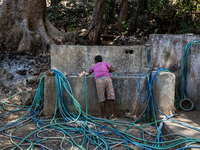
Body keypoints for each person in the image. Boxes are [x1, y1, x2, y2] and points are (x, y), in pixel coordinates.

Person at [89, 55, 116, 119]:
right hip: (107, 79)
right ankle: (113, 115)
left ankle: (104, 116)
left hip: (99, 80)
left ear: (95, 61)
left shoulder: (94, 66)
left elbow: (90, 72)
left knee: (102, 100)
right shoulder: (105, 63)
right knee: (111, 97)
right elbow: (113, 69)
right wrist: (108, 71)